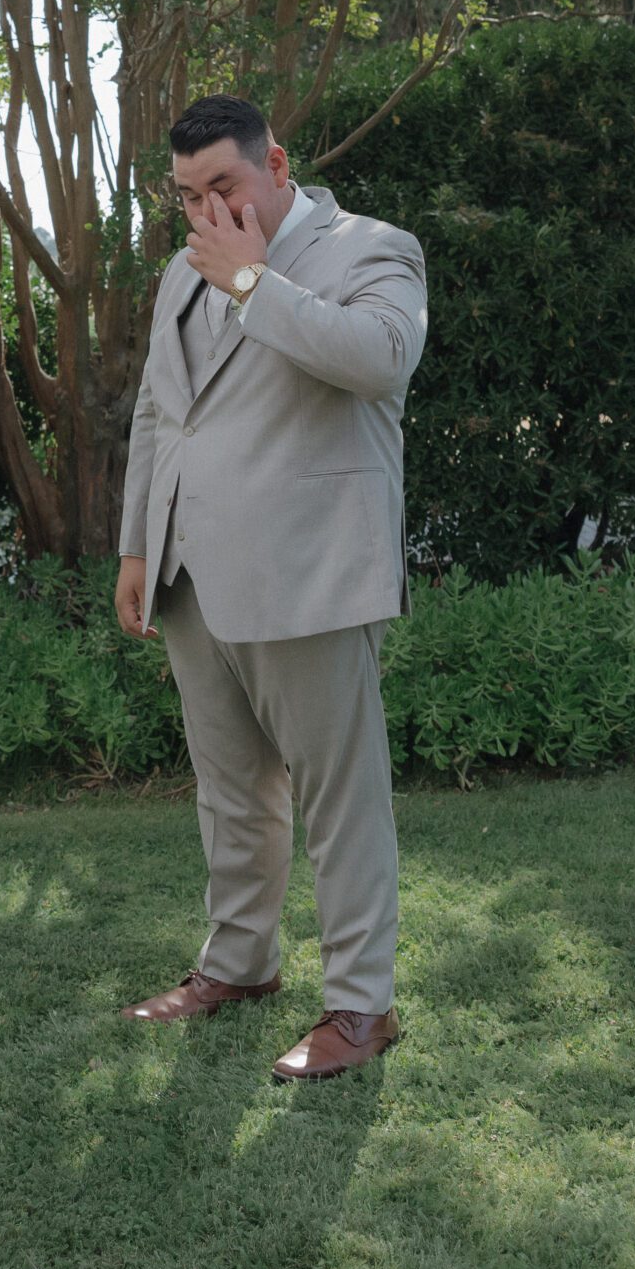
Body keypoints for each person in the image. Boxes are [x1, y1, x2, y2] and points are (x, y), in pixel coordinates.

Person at [115, 96, 427, 1082]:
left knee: (341, 798)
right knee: (231, 792)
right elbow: (160, 414)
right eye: (187, 195)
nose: (206, 209)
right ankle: (239, 965)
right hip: (192, 573)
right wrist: (135, 546)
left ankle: (359, 1006)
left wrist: (253, 281)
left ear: (276, 163)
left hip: (312, 568)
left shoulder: (371, 247)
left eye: (224, 186)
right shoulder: (180, 272)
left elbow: (379, 360)